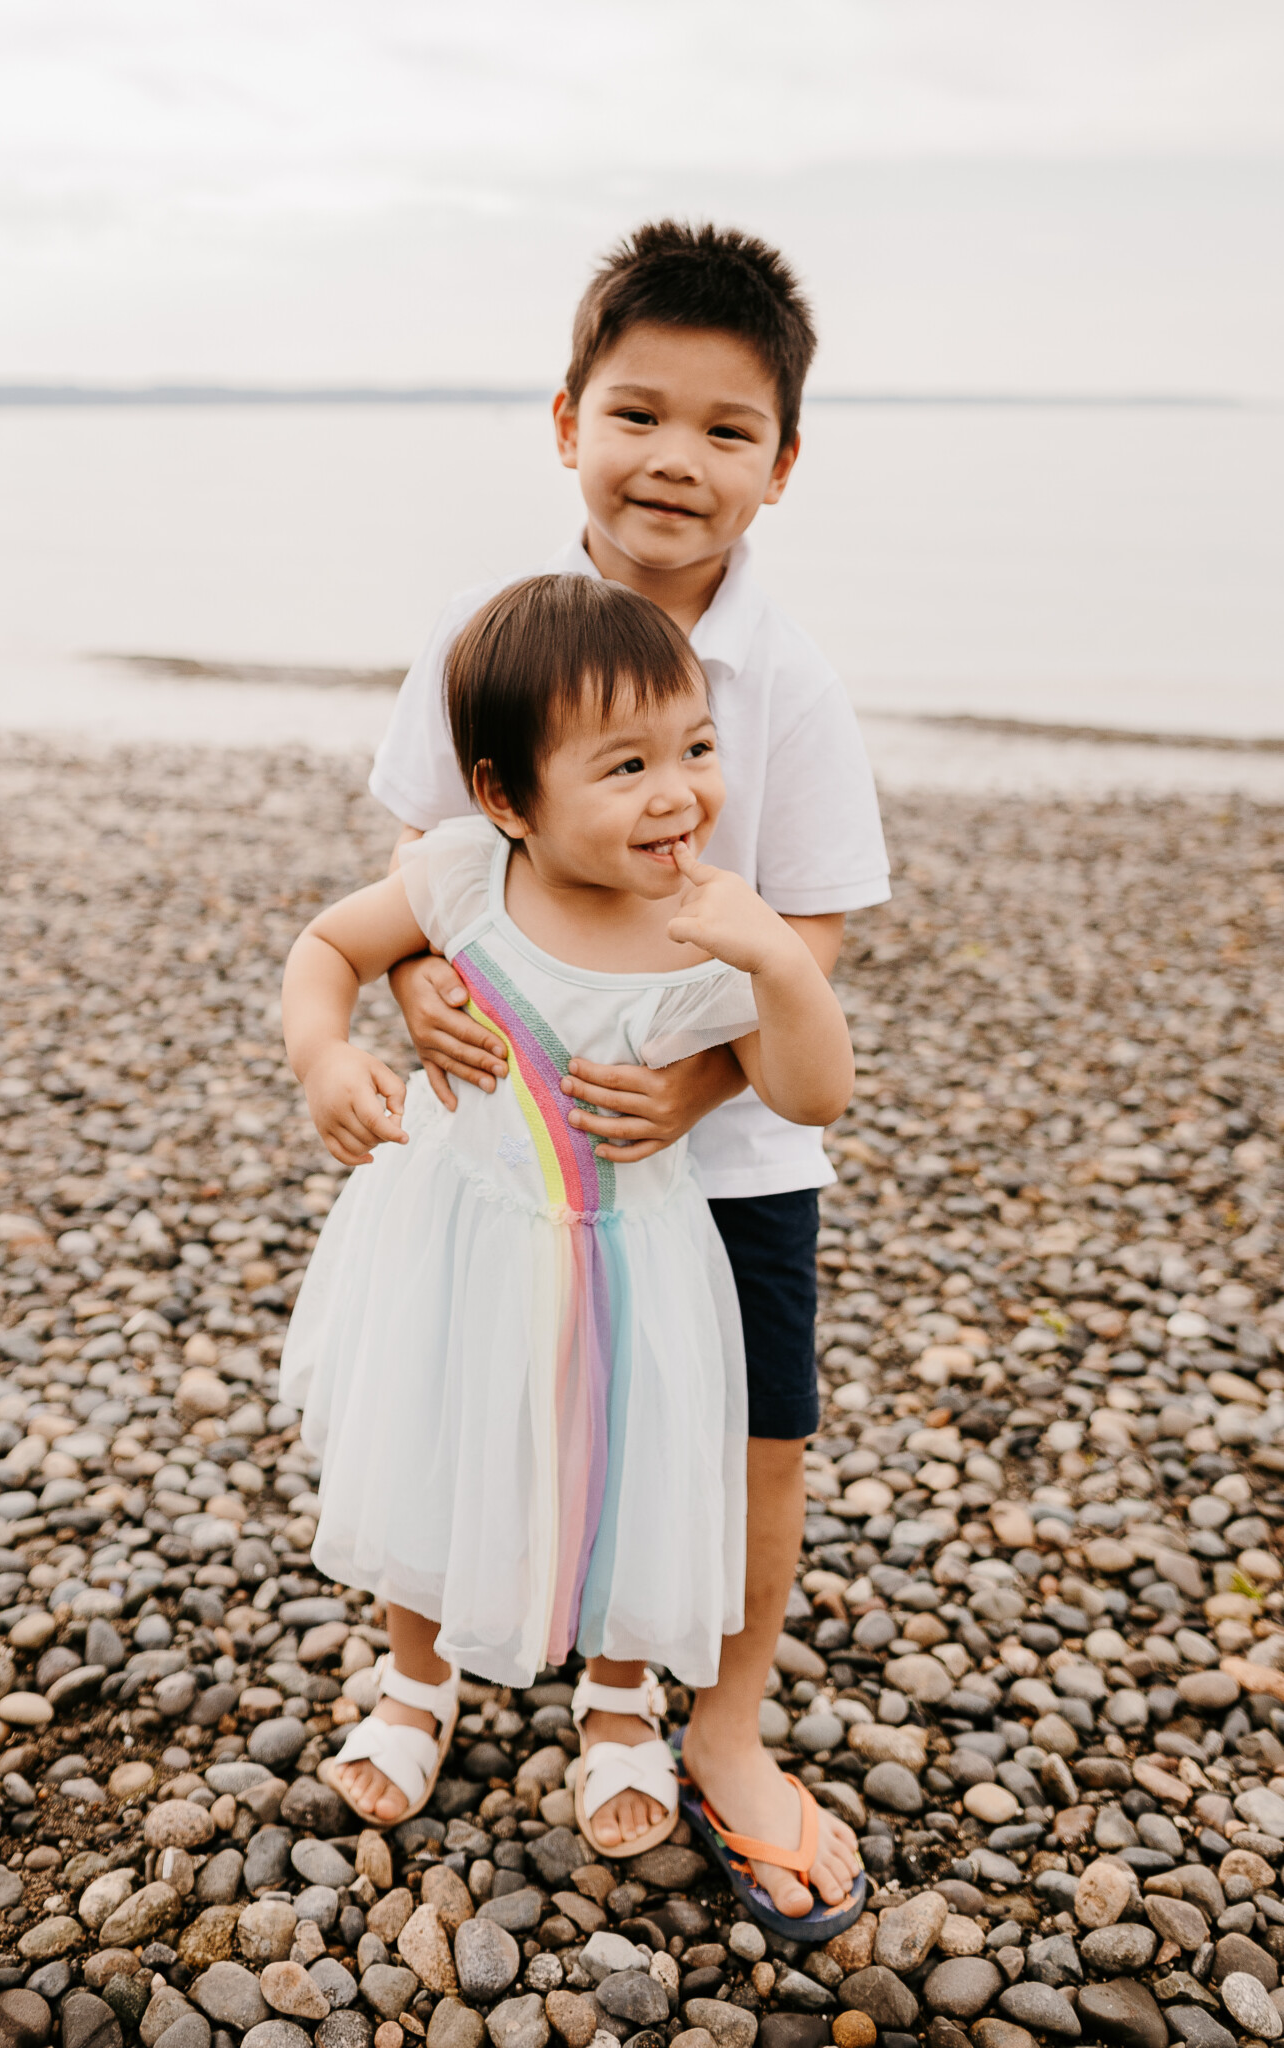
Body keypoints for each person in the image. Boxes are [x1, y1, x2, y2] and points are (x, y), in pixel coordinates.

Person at [366, 222, 890, 1925]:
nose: (676, 459)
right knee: (485, 1394)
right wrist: (433, 988)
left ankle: (718, 1728)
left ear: (781, 466)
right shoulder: (486, 632)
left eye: (727, 430)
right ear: (565, 420)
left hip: (718, 1152)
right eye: (638, 413)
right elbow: (429, 855)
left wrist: (707, 1090)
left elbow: (808, 927)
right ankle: (451, 1665)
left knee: (745, 1438)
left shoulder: (786, 684)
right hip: (517, 1144)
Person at [279, 575, 863, 1930]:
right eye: (627, 767)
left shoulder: (706, 923)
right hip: (457, 1249)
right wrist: (323, 1053)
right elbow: (329, 944)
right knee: (440, 1451)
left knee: (624, 1475)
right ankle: (414, 1684)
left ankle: (618, 1703)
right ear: (507, 796)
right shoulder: (459, 878)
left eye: (696, 750)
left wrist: (777, 967)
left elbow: (812, 1091)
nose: (678, 793)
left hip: (631, 1268)